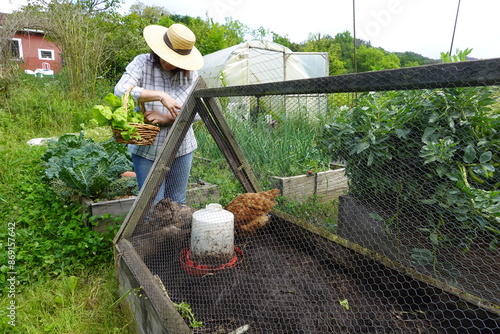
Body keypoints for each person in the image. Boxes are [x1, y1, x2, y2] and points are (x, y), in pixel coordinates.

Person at [114, 23, 204, 205]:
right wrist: (160, 95)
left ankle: (173, 235)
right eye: (167, 56)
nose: (169, 62)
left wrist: (167, 118)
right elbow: (120, 90)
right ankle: (152, 234)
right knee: (151, 204)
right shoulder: (142, 63)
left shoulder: (190, 75)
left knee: (177, 202)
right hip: (147, 147)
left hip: (181, 146)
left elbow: (198, 111)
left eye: (176, 59)